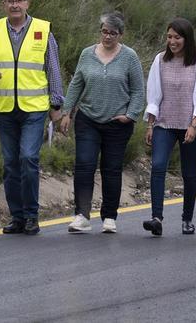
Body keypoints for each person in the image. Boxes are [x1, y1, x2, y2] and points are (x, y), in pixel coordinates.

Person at [0, 0, 65, 237]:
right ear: (4, 5)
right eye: (10, 1)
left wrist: (56, 104)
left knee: (28, 158)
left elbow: (53, 68)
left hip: (34, 108)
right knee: (11, 163)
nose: (14, 5)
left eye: (19, 0)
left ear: (27, 3)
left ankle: (32, 216)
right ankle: (17, 217)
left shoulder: (42, 30)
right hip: (4, 108)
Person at [59, 12, 145, 234]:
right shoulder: (87, 54)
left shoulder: (130, 57)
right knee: (84, 165)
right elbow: (77, 83)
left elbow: (138, 90)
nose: (107, 37)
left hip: (118, 122)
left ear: (120, 35)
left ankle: (109, 216)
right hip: (88, 118)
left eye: (113, 33)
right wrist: (67, 111)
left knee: (111, 169)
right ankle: (82, 216)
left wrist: (131, 114)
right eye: (104, 32)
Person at [143, 18, 196, 237]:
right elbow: (154, 94)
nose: (172, 41)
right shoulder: (160, 60)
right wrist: (150, 124)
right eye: (169, 37)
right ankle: (157, 218)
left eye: (177, 37)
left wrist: (194, 124)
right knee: (158, 166)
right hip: (164, 123)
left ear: (187, 38)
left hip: (190, 125)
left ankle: (187, 219)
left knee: (188, 172)